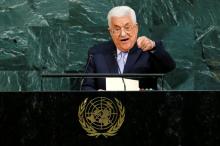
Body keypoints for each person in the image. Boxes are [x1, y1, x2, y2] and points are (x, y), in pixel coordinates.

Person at [81, 6, 175, 91]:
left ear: (136, 28)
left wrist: (153, 46)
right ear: (110, 32)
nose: (123, 34)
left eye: (127, 27)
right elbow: (86, 86)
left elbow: (169, 66)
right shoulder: (97, 53)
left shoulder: (147, 51)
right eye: (117, 29)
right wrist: (98, 95)